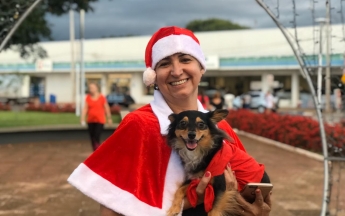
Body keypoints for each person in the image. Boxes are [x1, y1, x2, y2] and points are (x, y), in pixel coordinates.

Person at [69, 26, 271, 216]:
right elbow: (111, 205)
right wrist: (194, 199)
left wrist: (255, 209)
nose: (176, 71)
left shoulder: (220, 127)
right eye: (165, 63)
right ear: (154, 77)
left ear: (201, 68)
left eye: (185, 59)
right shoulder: (139, 124)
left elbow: (255, 189)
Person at [81, 82, 112, 151]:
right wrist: (82, 118)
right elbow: (85, 108)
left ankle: (97, 151)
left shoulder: (102, 97)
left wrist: (109, 118)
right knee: (92, 137)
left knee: (96, 136)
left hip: (100, 120)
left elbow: (106, 108)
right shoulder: (88, 97)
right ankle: (95, 151)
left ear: (96, 88)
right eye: (90, 88)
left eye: (92, 88)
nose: (90, 89)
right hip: (90, 120)